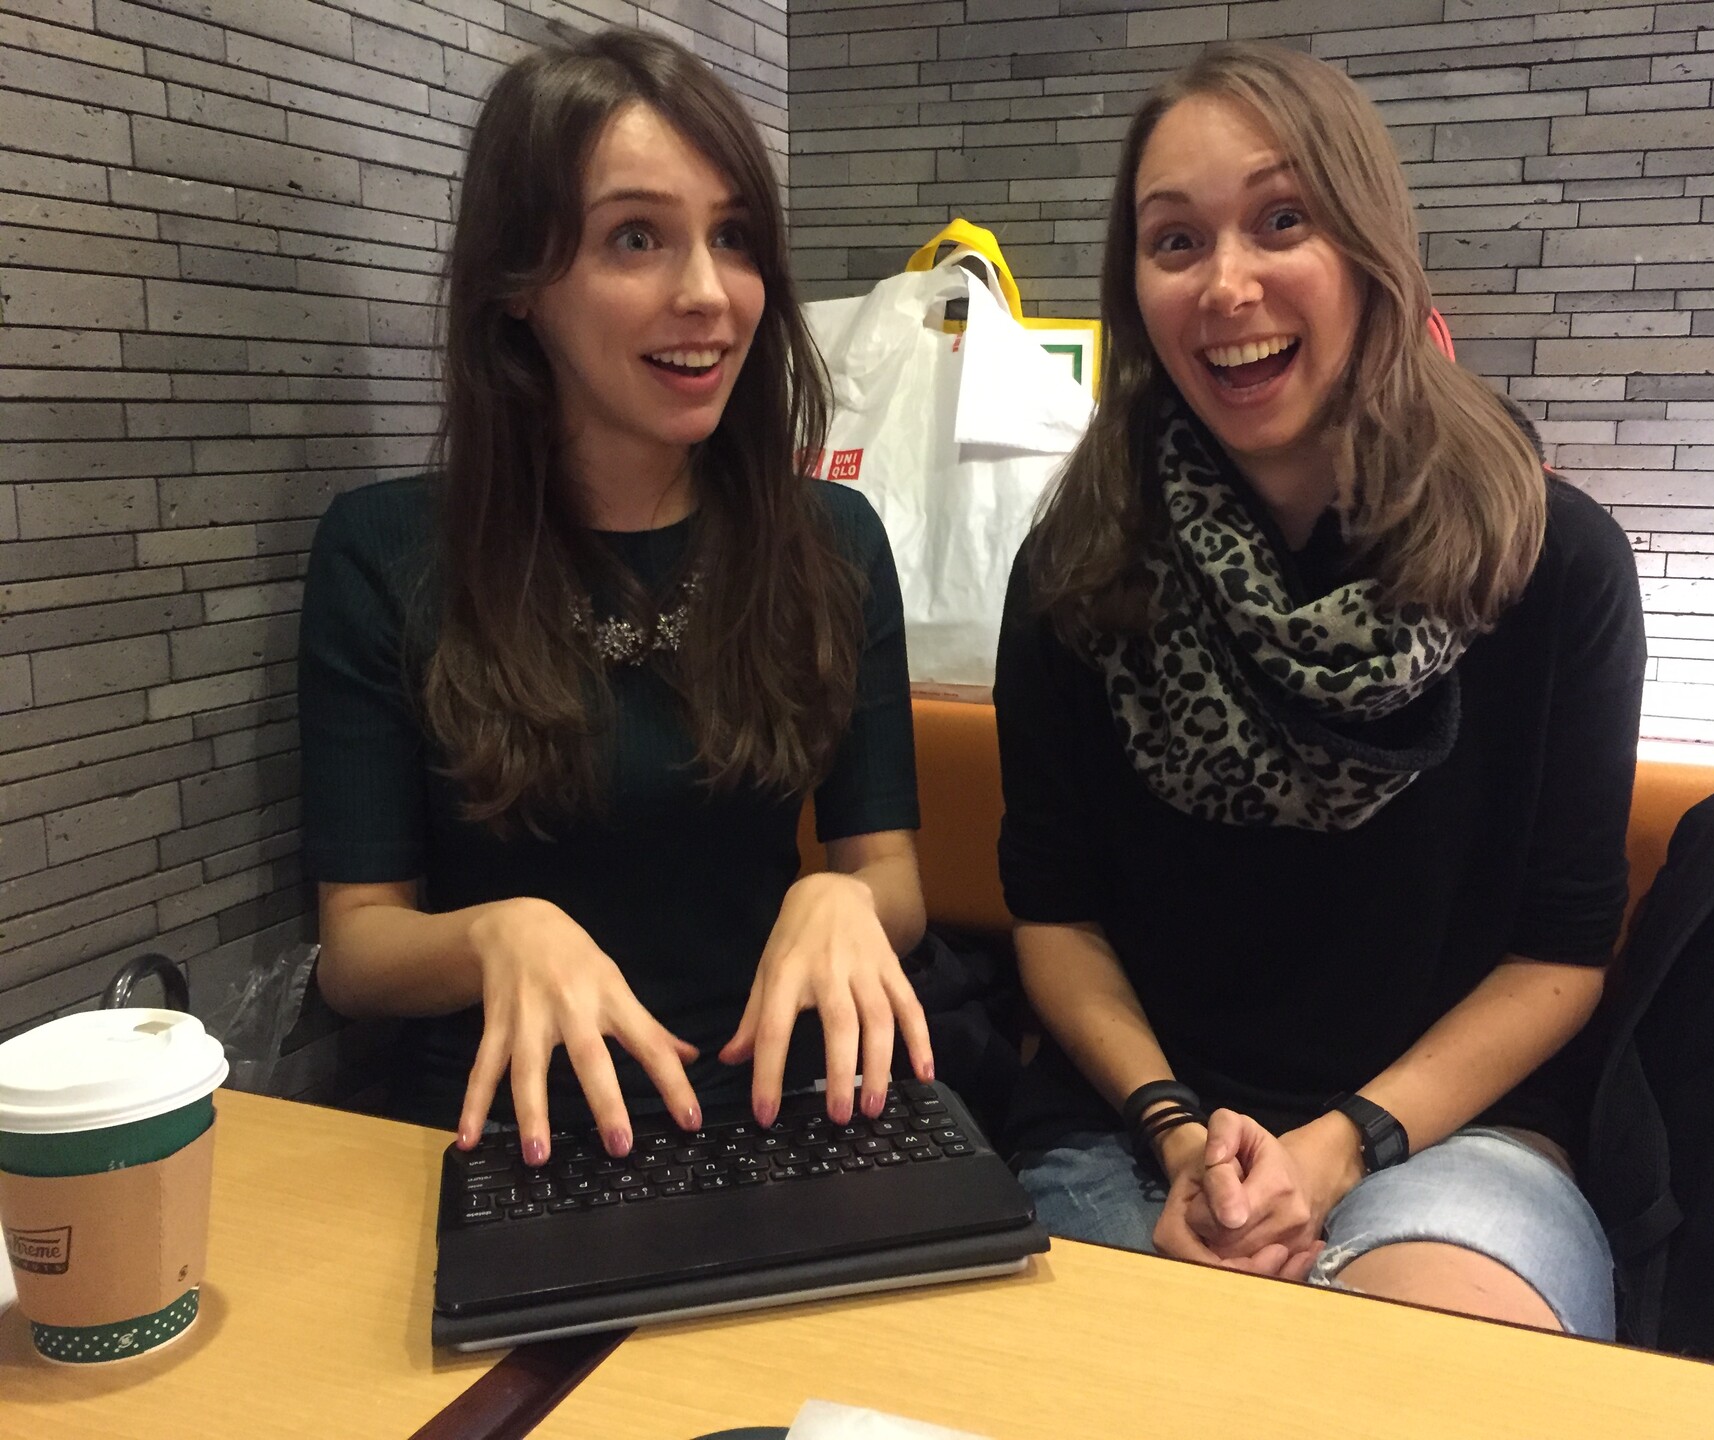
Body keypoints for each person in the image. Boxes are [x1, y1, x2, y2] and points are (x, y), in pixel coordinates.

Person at [994, 42, 1644, 1340]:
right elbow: (1056, 916)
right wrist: (1182, 1137)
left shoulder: (1553, 564)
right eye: (1175, 241)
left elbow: (1560, 955)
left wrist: (1341, 1146)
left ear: (1369, 249)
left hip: (1449, 1138)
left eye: (1281, 220)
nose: (1227, 282)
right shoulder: (1078, 568)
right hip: (1134, 1128)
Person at [297, 29, 931, 1171]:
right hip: (511, 1126)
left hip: (785, 1104)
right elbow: (357, 950)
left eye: (733, 237)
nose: (708, 295)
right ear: (519, 286)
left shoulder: (832, 542)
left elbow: (890, 877)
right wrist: (499, 934)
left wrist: (847, 903)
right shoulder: (386, 553)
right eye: (636, 238)